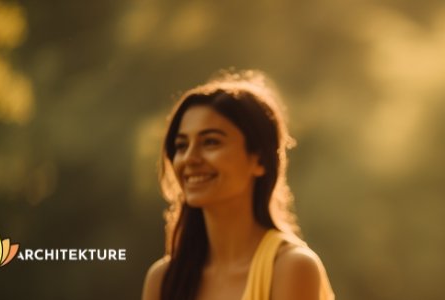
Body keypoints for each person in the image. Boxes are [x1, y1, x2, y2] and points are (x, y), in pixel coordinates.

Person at [141, 70, 335, 300]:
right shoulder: (163, 279)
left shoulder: (292, 267)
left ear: (259, 160)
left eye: (211, 142)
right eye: (182, 146)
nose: (190, 158)